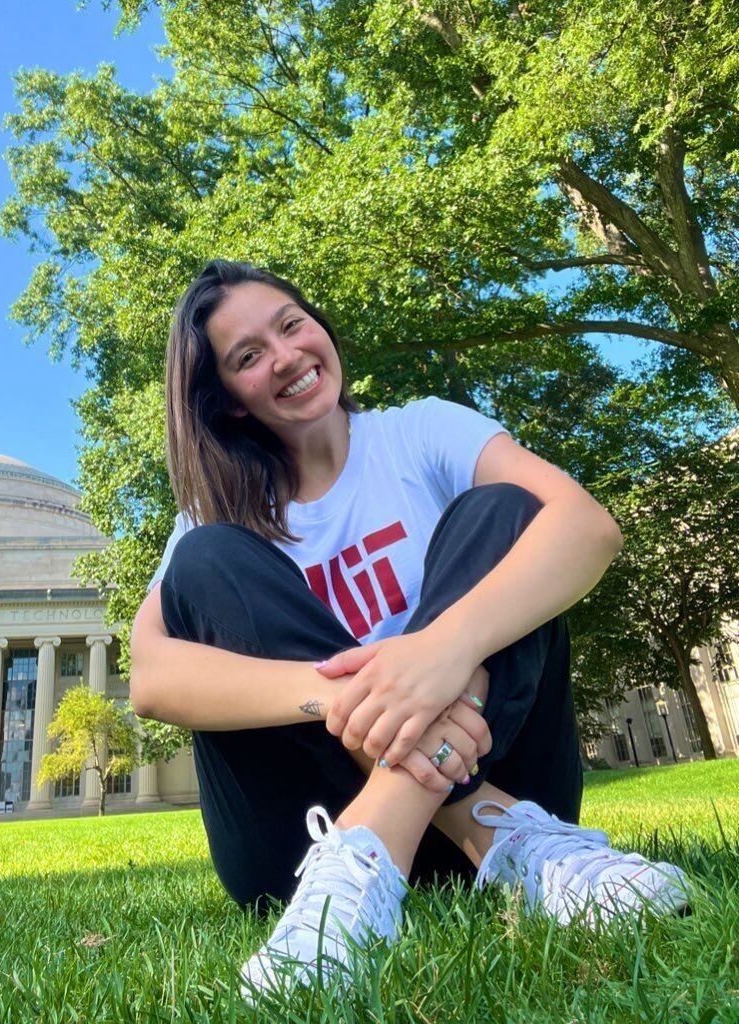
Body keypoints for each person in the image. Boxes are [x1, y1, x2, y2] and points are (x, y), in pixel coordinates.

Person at [130, 260, 688, 1001]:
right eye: (247, 356)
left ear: (319, 327)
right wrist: (351, 697)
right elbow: (152, 674)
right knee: (209, 561)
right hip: (301, 844)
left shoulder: (421, 431)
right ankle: (376, 855)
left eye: (290, 324)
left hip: (509, 797)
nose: (286, 356)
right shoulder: (212, 514)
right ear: (227, 401)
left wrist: (439, 652)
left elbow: (585, 527)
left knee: (505, 512)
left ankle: (454, 849)